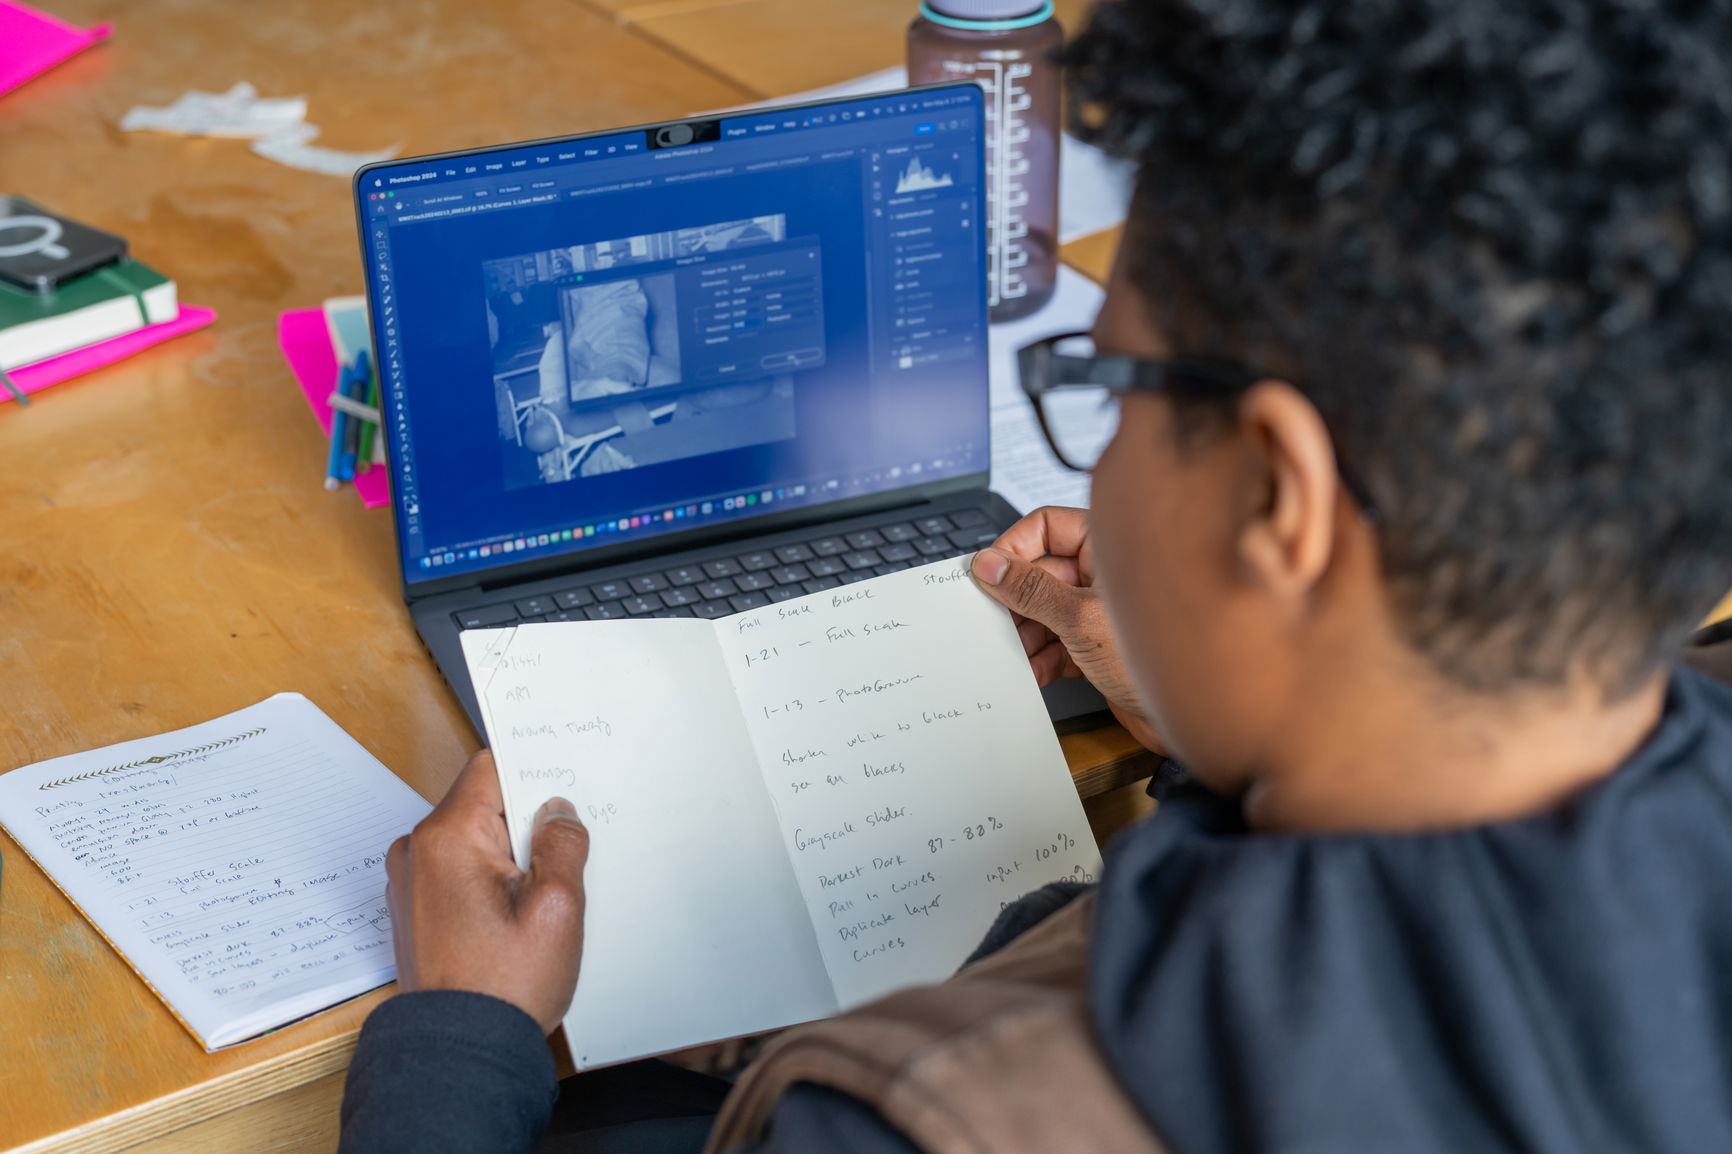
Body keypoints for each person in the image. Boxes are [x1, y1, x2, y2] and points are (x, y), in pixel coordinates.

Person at [339, 0, 1732, 1149]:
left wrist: (458, 1033)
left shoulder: (914, 1120)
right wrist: (1235, 728)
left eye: (1109, 388)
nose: (1098, 461)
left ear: (1277, 498)